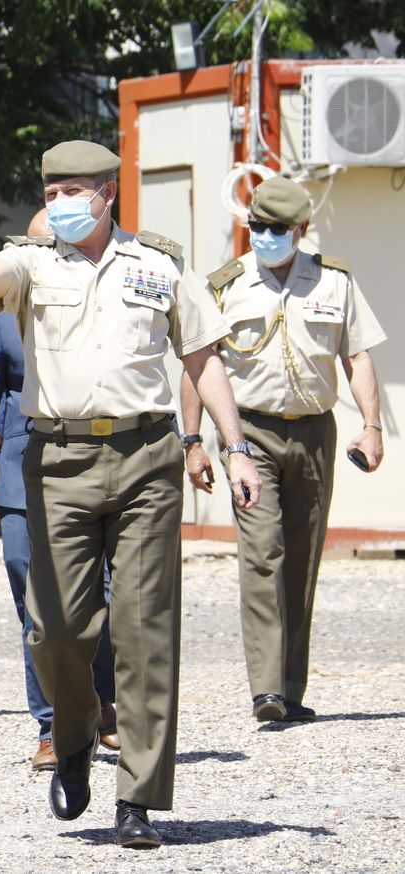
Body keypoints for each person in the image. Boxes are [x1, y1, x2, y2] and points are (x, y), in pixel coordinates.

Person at [0, 140, 261, 849]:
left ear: (106, 193)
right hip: (56, 457)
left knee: (145, 624)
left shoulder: (158, 265)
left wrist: (233, 445)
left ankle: (139, 798)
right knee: (55, 625)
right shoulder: (31, 262)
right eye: (50, 190)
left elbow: (200, 355)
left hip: (146, 453)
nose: (59, 202)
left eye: (73, 190)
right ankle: (74, 735)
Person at [181, 176, 386, 724]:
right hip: (250, 435)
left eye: (276, 229)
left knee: (302, 559)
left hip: (316, 432)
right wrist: (194, 441)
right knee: (263, 553)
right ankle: (265, 689)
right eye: (257, 226)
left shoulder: (334, 281)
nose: (264, 236)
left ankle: (291, 689)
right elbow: (200, 363)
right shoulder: (225, 284)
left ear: (300, 230)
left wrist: (372, 424)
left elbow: (358, 356)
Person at [0, 210, 118, 771]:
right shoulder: (0, 317)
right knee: (37, 607)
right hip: (26, 477)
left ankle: (104, 705)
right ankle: (51, 725)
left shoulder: (109, 298)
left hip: (103, 471)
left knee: (104, 597)